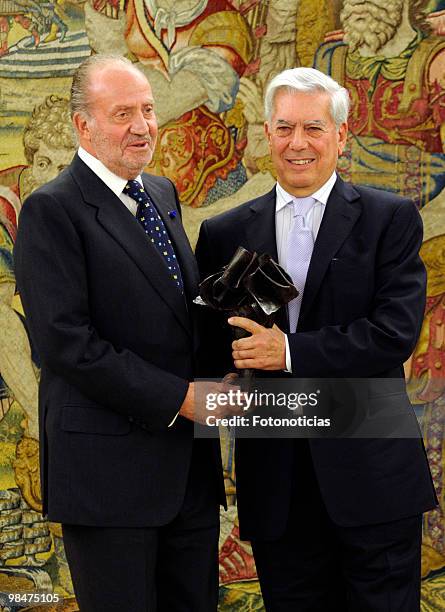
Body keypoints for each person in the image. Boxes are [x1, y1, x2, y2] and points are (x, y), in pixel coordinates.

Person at [195, 67, 438, 611]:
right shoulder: (224, 232)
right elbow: (212, 344)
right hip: (277, 484)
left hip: (371, 476)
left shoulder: (390, 219)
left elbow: (393, 334)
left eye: (313, 128)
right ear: (266, 132)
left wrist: (289, 352)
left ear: (341, 135)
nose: (297, 143)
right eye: (284, 128)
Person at [14, 54, 230, 612]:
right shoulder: (51, 210)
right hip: (109, 482)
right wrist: (181, 398)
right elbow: (65, 344)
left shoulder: (160, 193)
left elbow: (175, 315)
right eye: (122, 114)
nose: (142, 126)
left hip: (188, 478)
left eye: (149, 110)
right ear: (83, 126)